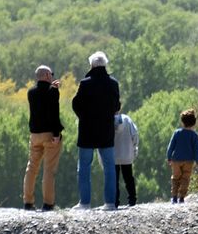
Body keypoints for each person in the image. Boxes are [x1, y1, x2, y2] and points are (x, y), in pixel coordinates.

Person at [71, 51, 121, 210]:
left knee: (84, 166)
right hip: (106, 130)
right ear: (105, 65)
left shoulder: (85, 83)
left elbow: (76, 104)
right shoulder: (113, 83)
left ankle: (85, 203)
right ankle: (110, 203)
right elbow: (117, 106)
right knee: (109, 167)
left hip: (87, 130)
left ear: (91, 65)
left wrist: (83, 117)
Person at [23, 65, 64, 211]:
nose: (52, 76)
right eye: (51, 74)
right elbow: (53, 113)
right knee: (49, 169)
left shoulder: (31, 92)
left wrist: (53, 89)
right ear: (47, 75)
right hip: (49, 135)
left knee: (32, 167)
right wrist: (56, 134)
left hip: (34, 134)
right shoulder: (52, 92)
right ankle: (48, 203)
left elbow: (42, 99)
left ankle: (28, 202)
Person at [166, 108, 198, 204]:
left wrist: (169, 157)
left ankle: (174, 197)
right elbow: (197, 149)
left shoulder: (177, 133)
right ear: (194, 122)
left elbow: (171, 146)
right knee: (185, 178)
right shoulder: (194, 135)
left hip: (176, 160)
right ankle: (181, 197)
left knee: (175, 177)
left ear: (182, 122)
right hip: (189, 161)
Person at [113, 105, 139, 207]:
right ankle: (132, 200)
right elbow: (135, 134)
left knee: (114, 180)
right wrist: (134, 148)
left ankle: (115, 201)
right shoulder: (127, 119)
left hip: (113, 155)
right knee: (129, 178)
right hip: (126, 154)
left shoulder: (107, 121)